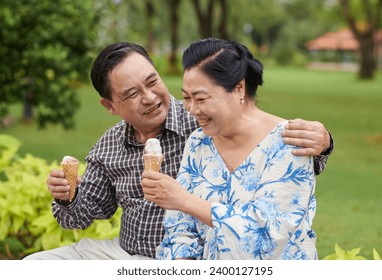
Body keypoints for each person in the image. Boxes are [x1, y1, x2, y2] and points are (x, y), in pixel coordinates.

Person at [24, 42, 332, 260]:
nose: (150, 98)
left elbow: (271, 221)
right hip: (136, 255)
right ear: (110, 106)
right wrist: (68, 195)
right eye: (132, 93)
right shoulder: (195, 138)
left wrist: (324, 144)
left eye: (152, 82)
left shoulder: (202, 125)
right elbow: (176, 228)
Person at [141, 38, 319, 260]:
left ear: (239, 88)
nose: (193, 109)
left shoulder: (288, 141)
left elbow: (267, 235)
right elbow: (180, 227)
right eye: (187, 98)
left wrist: (184, 200)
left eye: (201, 98)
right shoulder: (198, 142)